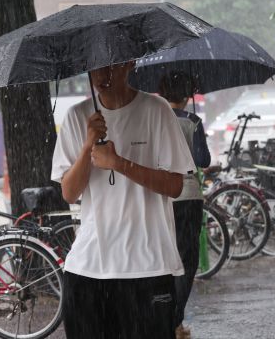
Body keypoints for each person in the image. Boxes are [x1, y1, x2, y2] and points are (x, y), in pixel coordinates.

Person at [51, 62, 194, 339]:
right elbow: (69, 192)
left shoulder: (156, 110)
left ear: (130, 64)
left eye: (110, 67)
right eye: (94, 68)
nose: (102, 76)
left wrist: (119, 163)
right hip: (89, 267)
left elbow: (175, 186)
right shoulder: (77, 116)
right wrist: (87, 146)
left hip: (148, 266)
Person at [157, 71, 211, 339]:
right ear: (186, 96)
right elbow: (203, 160)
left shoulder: (153, 120)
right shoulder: (193, 121)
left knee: (163, 260)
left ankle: (162, 318)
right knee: (186, 261)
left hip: (159, 196)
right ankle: (175, 321)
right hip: (188, 195)